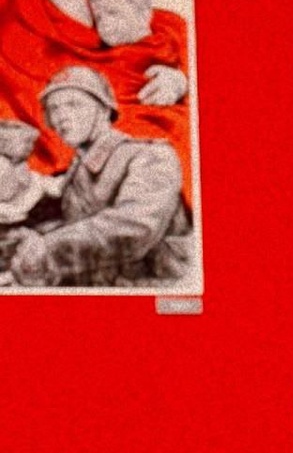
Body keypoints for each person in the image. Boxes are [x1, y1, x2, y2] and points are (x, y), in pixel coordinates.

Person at [0, 0, 192, 204]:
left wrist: (180, 79)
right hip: (46, 143)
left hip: (130, 132)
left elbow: (177, 38)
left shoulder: (112, 0)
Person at [9, 66, 190, 287]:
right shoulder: (79, 166)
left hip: (151, 284)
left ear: (104, 110)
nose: (61, 116)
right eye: (54, 108)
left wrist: (47, 247)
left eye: (73, 104)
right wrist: (29, 236)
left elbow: (135, 226)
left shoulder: (151, 156)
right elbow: (76, 221)